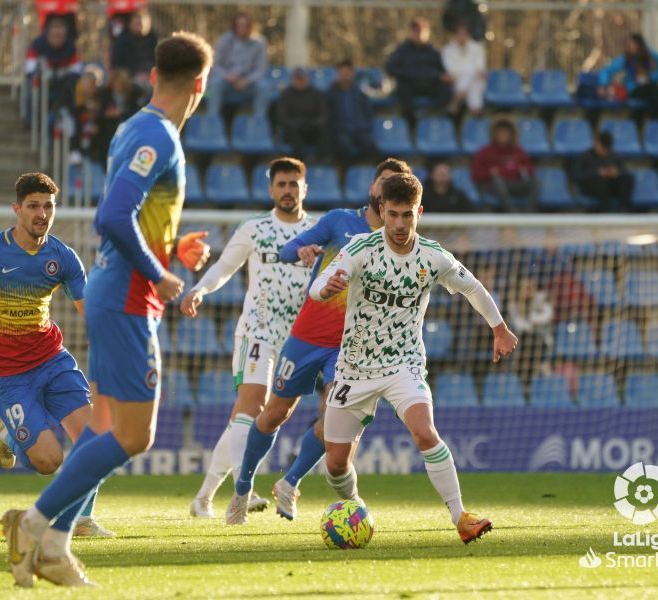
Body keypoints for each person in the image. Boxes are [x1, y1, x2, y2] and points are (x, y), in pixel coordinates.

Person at [1, 32, 214, 588]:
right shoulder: (159, 136)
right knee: (134, 434)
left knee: (101, 426)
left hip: (114, 290)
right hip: (126, 298)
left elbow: (132, 219)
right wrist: (160, 273)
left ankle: (52, 546)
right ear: (200, 84)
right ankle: (34, 522)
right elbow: (113, 218)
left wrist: (171, 249)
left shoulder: (131, 127)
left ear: (151, 77)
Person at [309, 172, 515, 543]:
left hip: (404, 364)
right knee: (335, 463)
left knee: (425, 432)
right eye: (393, 215)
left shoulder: (433, 256)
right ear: (382, 211)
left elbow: (473, 288)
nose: (400, 224)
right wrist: (328, 288)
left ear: (419, 211)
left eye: (408, 215)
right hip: (354, 368)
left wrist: (499, 328)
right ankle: (355, 507)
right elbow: (316, 290)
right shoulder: (360, 249)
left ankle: (461, 517)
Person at [226, 158, 413, 525]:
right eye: (383, 182)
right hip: (307, 336)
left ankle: (290, 481)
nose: (387, 189)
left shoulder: (400, 244)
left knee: (334, 419)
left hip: (349, 347)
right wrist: (301, 251)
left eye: (396, 185)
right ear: (374, 189)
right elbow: (284, 251)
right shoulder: (339, 221)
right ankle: (242, 489)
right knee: (274, 414)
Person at [0, 173, 115, 544]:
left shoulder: (62, 257)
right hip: (9, 375)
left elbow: (89, 312)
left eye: (48, 206)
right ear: (17, 209)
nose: (41, 213)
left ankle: (82, 519)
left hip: (52, 360)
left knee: (98, 438)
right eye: (33, 206)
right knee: (49, 461)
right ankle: (7, 432)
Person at [184, 157, 316, 519]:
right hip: (257, 330)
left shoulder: (318, 231)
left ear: (305, 188)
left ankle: (203, 498)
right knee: (252, 405)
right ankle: (246, 488)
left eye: (294, 184)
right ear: (270, 189)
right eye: (281, 184)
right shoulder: (255, 229)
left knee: (255, 419)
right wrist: (199, 289)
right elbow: (225, 266)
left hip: (298, 339)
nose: (288, 191)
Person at [385, 18, 451, 127]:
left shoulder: (433, 51)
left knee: (446, 90)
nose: (419, 35)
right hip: (410, 85)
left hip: (430, 84)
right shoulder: (402, 50)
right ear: (411, 32)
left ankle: (432, 116)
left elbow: (442, 71)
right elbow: (391, 68)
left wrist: (438, 76)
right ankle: (411, 121)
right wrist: (408, 74)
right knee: (402, 88)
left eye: (423, 32)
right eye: (416, 31)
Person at [206, 12, 269, 116]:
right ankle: (212, 120)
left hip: (248, 83)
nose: (242, 28)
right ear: (234, 26)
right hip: (226, 81)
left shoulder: (259, 43)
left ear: (250, 26)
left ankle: (259, 122)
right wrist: (227, 76)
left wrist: (246, 81)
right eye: (239, 25)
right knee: (214, 84)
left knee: (264, 87)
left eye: (245, 25)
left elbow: (260, 69)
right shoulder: (224, 40)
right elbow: (214, 64)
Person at [471, 119, 537, 212]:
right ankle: (512, 212)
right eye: (500, 133)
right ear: (494, 134)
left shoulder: (518, 150)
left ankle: (529, 213)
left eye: (506, 133)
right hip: (493, 187)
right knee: (497, 181)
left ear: (511, 134)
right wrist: (489, 173)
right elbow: (475, 174)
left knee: (536, 182)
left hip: (514, 184)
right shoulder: (484, 152)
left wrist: (516, 170)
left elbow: (530, 169)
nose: (503, 136)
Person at [598, 33, 658, 119]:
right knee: (652, 88)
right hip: (632, 89)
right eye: (630, 44)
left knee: (652, 87)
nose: (632, 47)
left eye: (635, 44)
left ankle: (657, 118)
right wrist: (603, 84)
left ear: (641, 45)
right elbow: (606, 71)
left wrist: (649, 77)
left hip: (647, 87)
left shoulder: (651, 56)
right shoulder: (626, 58)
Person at [25, 17, 82, 113]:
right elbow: (29, 68)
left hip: (62, 83)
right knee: (31, 88)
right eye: (54, 35)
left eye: (59, 36)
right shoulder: (37, 45)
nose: (57, 39)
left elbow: (76, 69)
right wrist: (39, 76)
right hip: (42, 83)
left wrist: (68, 79)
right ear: (48, 34)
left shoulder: (70, 47)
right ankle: (30, 122)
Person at [326, 60, 376, 167]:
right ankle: (347, 173)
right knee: (343, 146)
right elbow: (328, 115)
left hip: (359, 129)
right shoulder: (330, 94)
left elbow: (368, 113)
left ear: (352, 74)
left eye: (348, 73)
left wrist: (365, 126)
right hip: (340, 130)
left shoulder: (360, 93)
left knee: (370, 146)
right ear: (337, 75)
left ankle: (358, 167)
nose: (345, 76)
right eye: (342, 74)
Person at [571, 131, 634, 212]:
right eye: (602, 149)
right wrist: (597, 173)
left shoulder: (615, 156)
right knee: (599, 182)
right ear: (596, 143)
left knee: (628, 179)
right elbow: (577, 176)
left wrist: (617, 173)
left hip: (611, 186)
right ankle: (605, 210)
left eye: (607, 150)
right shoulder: (584, 157)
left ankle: (624, 209)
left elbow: (625, 172)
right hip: (592, 187)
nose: (604, 152)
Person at [276, 68, 329, 162]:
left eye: (302, 79)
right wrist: (297, 124)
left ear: (307, 79)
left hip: (312, 128)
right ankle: (300, 160)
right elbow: (282, 117)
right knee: (292, 130)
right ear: (292, 80)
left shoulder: (316, 94)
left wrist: (312, 123)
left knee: (324, 129)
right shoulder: (286, 95)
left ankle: (322, 160)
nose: (300, 82)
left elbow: (323, 114)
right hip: (294, 130)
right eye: (297, 79)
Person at [110, 8, 158, 95]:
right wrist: (134, 74)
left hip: (151, 76)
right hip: (129, 78)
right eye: (137, 23)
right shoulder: (121, 42)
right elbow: (117, 65)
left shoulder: (154, 40)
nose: (141, 26)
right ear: (130, 24)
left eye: (143, 23)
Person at [94, 69, 140, 160]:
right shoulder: (105, 95)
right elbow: (99, 114)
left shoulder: (133, 94)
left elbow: (137, 112)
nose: (116, 86)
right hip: (109, 134)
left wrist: (121, 112)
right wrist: (107, 114)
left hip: (128, 134)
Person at [441, 24, 486, 115]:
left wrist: (473, 72)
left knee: (473, 76)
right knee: (471, 75)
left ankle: (458, 97)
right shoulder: (447, 49)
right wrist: (468, 71)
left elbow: (480, 68)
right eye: (459, 34)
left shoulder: (477, 48)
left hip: (470, 81)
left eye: (464, 34)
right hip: (456, 80)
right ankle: (476, 109)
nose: (462, 37)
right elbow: (450, 70)